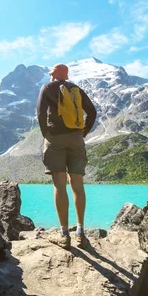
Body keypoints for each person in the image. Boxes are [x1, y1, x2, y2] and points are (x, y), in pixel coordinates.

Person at [37, 63, 97, 249]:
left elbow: (40, 112)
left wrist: (46, 134)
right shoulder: (76, 89)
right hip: (76, 139)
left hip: (55, 139)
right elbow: (92, 112)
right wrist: (83, 132)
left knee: (60, 185)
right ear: (66, 75)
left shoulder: (47, 87)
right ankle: (80, 232)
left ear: (54, 76)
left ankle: (64, 234)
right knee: (77, 186)